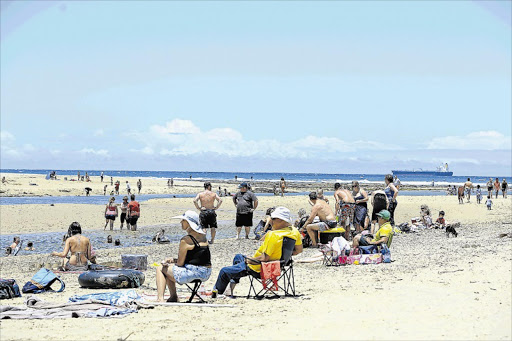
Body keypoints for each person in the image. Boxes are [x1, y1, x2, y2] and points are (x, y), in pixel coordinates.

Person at [211, 207, 302, 298]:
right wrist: (279, 257)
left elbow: (264, 258)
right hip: (279, 265)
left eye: (273, 219)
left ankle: (217, 293)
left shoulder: (273, 235)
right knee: (238, 257)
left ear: (281, 220)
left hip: (261, 267)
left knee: (224, 271)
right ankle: (230, 289)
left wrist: (250, 260)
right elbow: (299, 250)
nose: (271, 221)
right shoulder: (294, 231)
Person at [155, 211, 212, 302]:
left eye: (183, 220)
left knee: (161, 268)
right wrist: (172, 260)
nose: (181, 222)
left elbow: (180, 263)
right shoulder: (203, 237)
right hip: (206, 273)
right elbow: (196, 258)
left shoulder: (186, 240)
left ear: (189, 223)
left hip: (193, 273)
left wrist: (171, 261)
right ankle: (173, 297)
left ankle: (161, 298)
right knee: (169, 268)